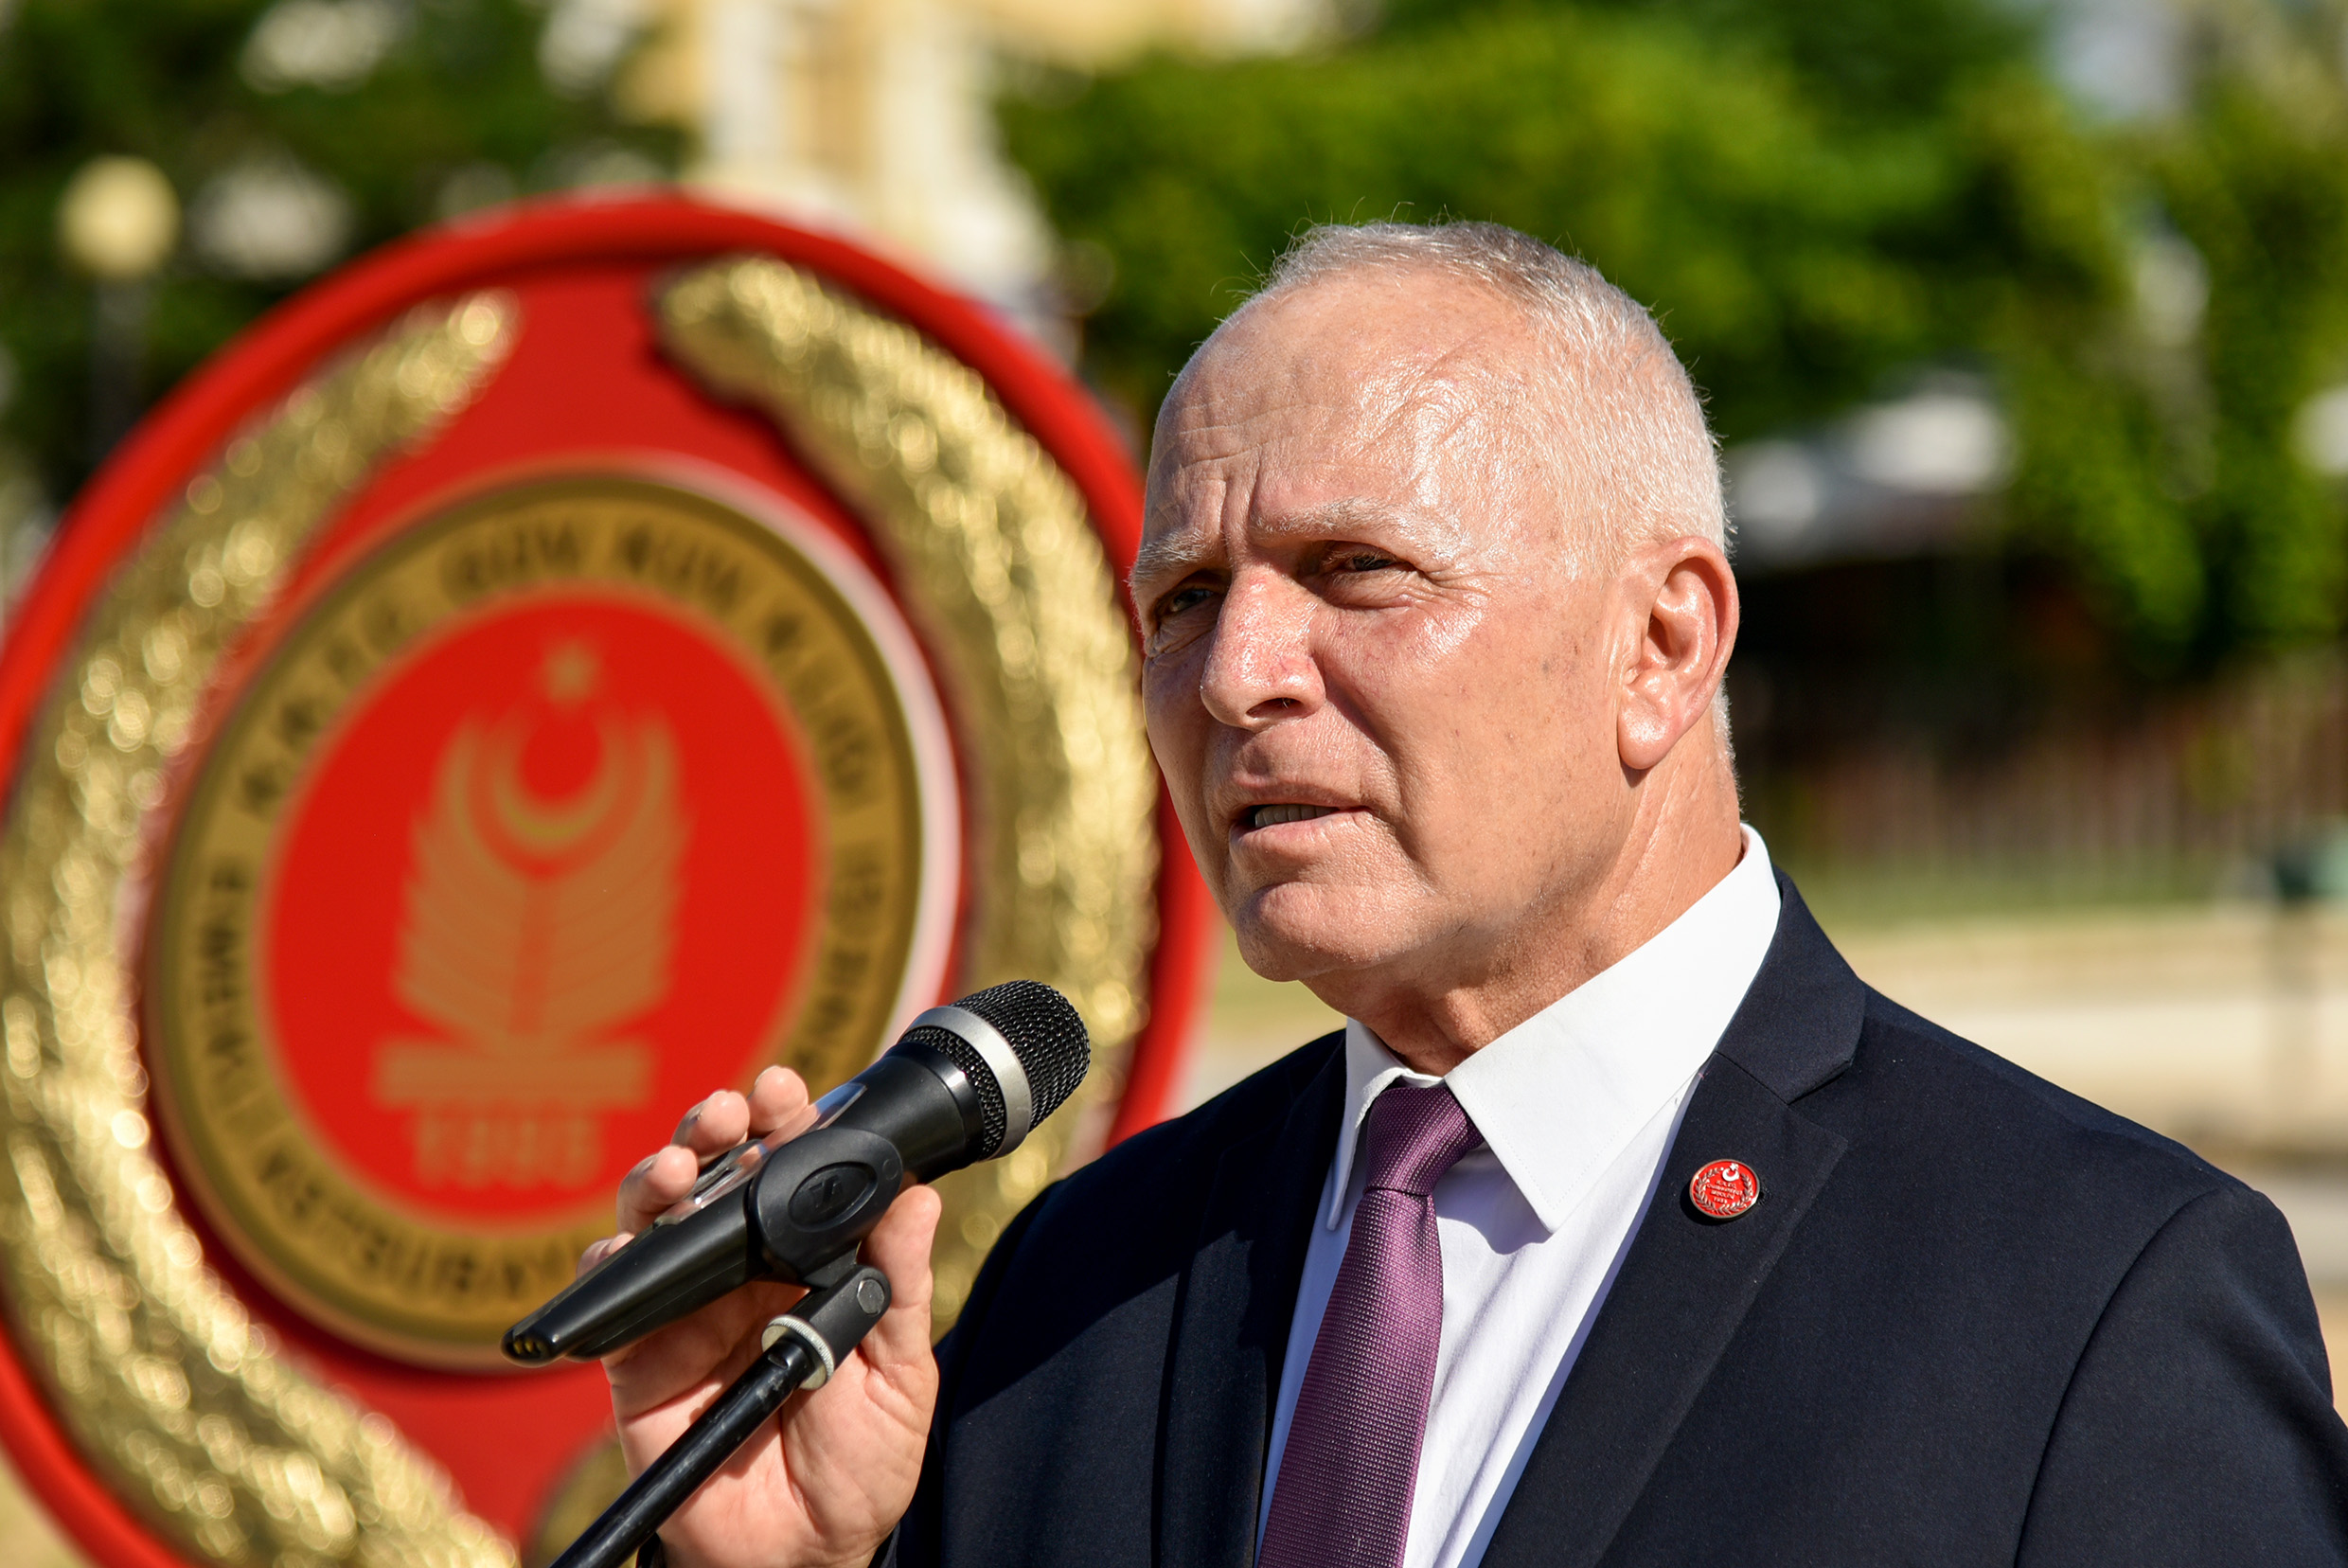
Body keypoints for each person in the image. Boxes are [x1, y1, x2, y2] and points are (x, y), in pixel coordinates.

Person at [590, 221, 2348, 1568]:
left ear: (1662, 646)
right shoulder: (1086, 1282)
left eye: (1357, 570)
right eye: (1184, 600)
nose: (1238, 677)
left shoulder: (2090, 1298)